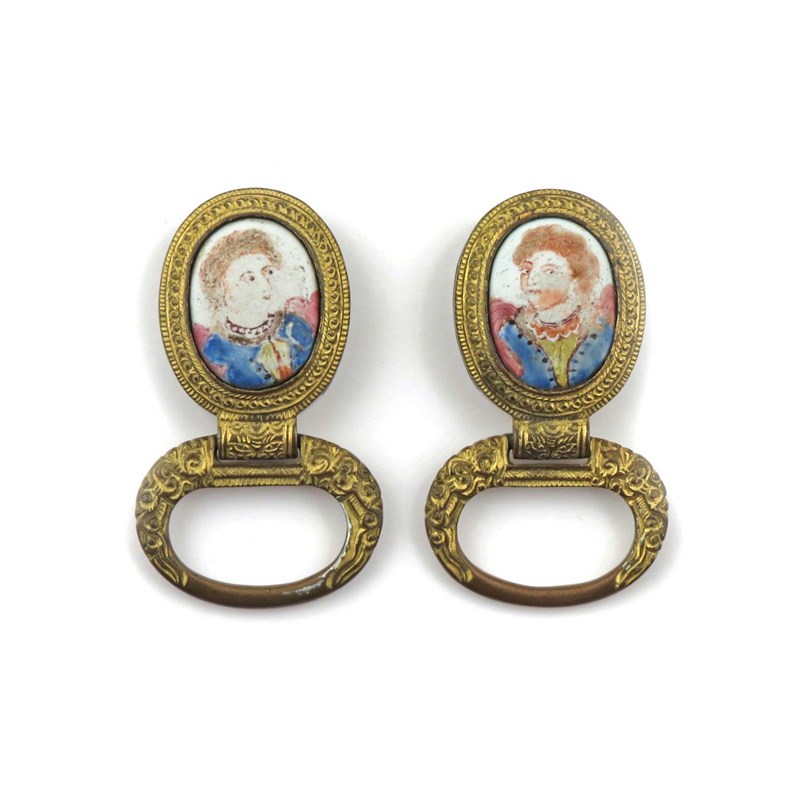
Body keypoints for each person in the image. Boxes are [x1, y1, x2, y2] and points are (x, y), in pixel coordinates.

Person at [490, 223, 615, 389]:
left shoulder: (600, 333)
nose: (531, 279)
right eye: (526, 271)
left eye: (549, 271)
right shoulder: (508, 333)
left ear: (576, 280)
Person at [192, 228, 317, 389]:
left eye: (268, 272)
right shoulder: (216, 350)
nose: (265, 285)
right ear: (224, 294)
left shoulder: (296, 329)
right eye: (249, 278)